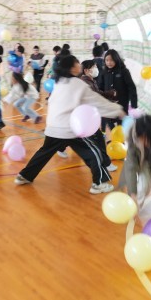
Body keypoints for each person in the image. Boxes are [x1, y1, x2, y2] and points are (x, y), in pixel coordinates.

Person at [14, 55, 125, 194]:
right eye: (77, 63)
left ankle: (24, 176)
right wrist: (119, 111)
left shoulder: (59, 83)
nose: (80, 65)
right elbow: (97, 102)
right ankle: (99, 183)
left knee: (43, 153)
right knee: (94, 153)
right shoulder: (78, 84)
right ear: (72, 68)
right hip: (69, 129)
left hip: (53, 128)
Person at [80, 60, 117, 172]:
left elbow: (98, 94)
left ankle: (61, 147)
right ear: (86, 70)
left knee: (94, 141)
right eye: (94, 67)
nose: (96, 69)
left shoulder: (90, 81)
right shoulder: (86, 83)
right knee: (98, 141)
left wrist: (111, 96)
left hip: (88, 117)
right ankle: (105, 164)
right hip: (87, 118)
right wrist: (110, 98)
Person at [99, 49, 137, 134]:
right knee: (110, 123)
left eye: (111, 60)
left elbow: (131, 87)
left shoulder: (123, 71)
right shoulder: (104, 72)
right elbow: (100, 88)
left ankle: (123, 139)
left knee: (122, 123)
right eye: (107, 60)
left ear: (116, 59)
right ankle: (114, 138)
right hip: (109, 104)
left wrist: (133, 102)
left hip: (122, 103)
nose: (109, 62)